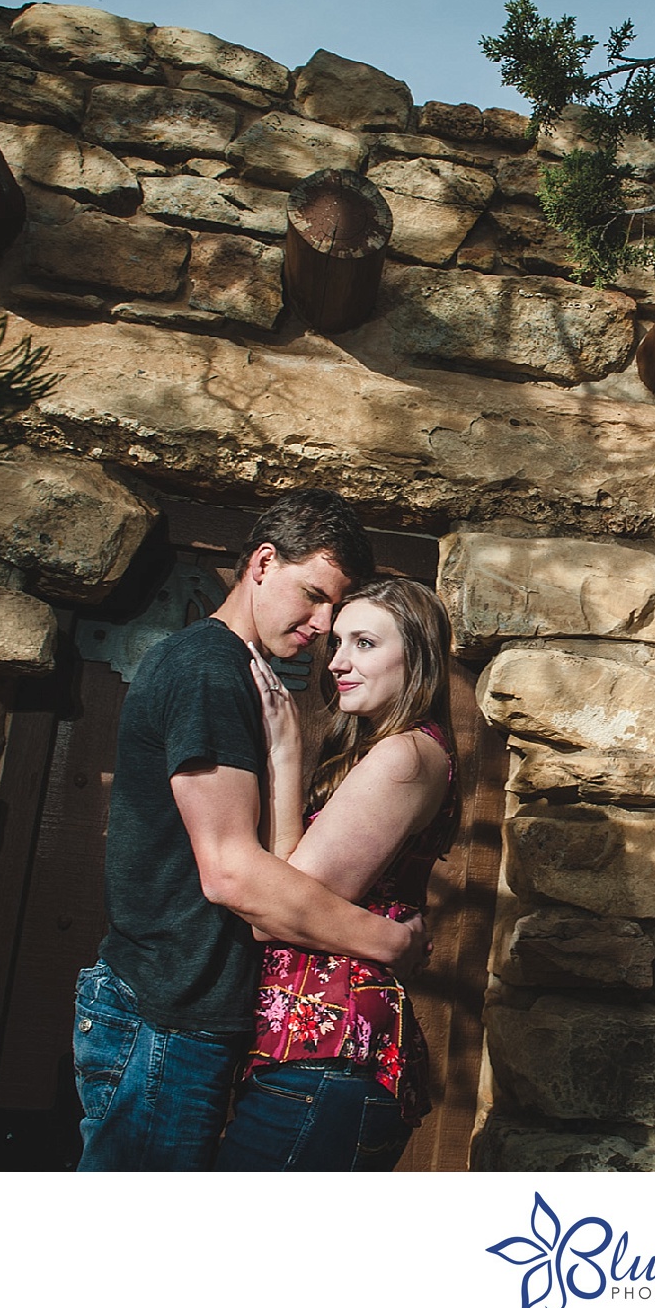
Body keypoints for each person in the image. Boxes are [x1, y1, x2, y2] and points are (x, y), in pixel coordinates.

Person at [73, 490, 426, 1172]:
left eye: (337, 608)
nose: (322, 624)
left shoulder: (242, 673)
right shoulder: (208, 666)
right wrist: (384, 939)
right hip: (164, 1016)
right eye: (314, 595)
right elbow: (232, 871)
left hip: (183, 1013)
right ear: (263, 563)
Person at [214, 575, 458, 1171]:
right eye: (339, 644)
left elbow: (284, 906)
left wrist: (284, 751)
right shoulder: (384, 749)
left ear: (418, 656)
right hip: (307, 1051)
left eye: (366, 644)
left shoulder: (404, 755)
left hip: (328, 1050)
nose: (339, 663)